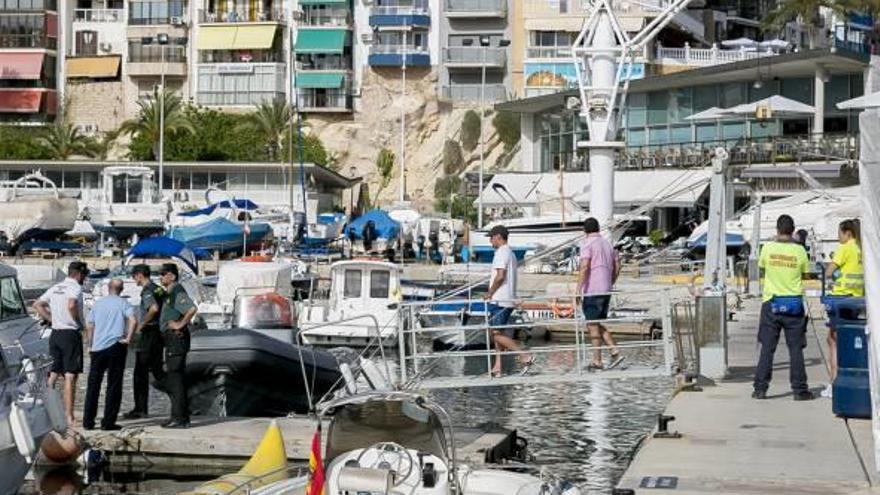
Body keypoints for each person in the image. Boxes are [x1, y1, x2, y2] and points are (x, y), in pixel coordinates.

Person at [753, 214, 812, 401]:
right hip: (793, 303)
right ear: (793, 230)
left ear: (777, 230)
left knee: (767, 348)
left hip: (771, 302)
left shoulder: (767, 248)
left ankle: (760, 389)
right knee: (796, 349)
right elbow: (806, 274)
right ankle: (800, 390)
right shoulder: (800, 251)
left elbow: (762, 268)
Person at [33, 261, 88, 426]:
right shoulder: (75, 288)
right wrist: (79, 323)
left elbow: (37, 304)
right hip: (70, 334)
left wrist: (51, 319)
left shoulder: (56, 287)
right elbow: (72, 305)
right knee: (71, 376)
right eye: (84, 275)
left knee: (53, 375)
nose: (84, 278)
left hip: (55, 334)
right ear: (78, 274)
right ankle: (69, 416)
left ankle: (45, 411)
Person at [82, 279, 136, 431]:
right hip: (116, 346)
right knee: (114, 384)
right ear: (122, 289)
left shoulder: (98, 304)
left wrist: (90, 344)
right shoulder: (123, 303)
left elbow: (90, 325)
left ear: (108, 288)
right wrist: (129, 339)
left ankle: (88, 421)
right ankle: (108, 422)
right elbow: (133, 320)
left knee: (93, 385)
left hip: (98, 348)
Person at [482, 225, 533, 377]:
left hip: (499, 301)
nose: (490, 241)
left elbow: (500, 276)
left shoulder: (501, 253)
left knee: (496, 335)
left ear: (498, 237)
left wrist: (489, 293)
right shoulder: (510, 253)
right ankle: (497, 367)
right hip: (507, 299)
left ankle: (524, 355)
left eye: (491, 238)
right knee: (499, 333)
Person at [821, 219, 864, 398]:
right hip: (858, 299)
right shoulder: (861, 249)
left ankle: (835, 382)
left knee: (833, 341)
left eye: (839, 233)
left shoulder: (845, 248)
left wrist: (833, 272)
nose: (838, 237)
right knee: (851, 339)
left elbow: (829, 272)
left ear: (847, 233)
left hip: (841, 299)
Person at [576, 218, 624, 371]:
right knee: (595, 322)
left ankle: (598, 360)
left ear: (585, 231)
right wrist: (610, 281)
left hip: (592, 289)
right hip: (606, 289)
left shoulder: (587, 244)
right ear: (598, 229)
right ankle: (614, 350)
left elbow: (584, 267)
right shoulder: (607, 244)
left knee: (592, 325)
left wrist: (578, 289)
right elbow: (618, 265)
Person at [123, 264, 167, 419]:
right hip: (159, 334)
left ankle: (140, 409)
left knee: (140, 373)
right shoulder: (159, 288)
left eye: (134, 276)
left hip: (149, 334)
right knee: (158, 372)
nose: (133, 279)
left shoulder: (148, 290)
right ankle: (182, 401)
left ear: (140, 275)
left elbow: (153, 308)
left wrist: (142, 324)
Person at [158, 263, 197, 429]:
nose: (160, 276)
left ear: (172, 276)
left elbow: (191, 308)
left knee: (175, 378)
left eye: (163, 274)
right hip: (171, 338)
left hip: (176, 338)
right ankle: (179, 416)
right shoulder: (169, 293)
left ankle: (179, 418)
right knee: (174, 377)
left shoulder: (177, 291)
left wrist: (180, 324)